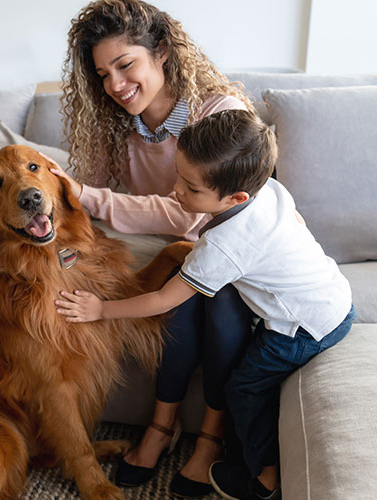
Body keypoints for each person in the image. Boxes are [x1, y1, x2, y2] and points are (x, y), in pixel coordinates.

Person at [55, 109, 355, 500]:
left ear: (236, 198)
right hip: (334, 295)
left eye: (191, 188)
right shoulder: (272, 191)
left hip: (303, 326)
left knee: (245, 389)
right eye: (178, 175)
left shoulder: (223, 247)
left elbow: (164, 298)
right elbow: (293, 221)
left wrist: (100, 309)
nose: (177, 190)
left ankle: (265, 478)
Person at [43, 0, 257, 496]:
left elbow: (191, 214)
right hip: (178, 256)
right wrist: (65, 260)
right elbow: (81, 215)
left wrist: (90, 196)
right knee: (172, 300)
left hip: (232, 256)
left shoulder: (218, 113)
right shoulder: (113, 127)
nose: (116, 86)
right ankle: (162, 427)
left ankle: (209, 439)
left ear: (161, 52)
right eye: (102, 74)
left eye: (125, 65)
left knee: (220, 307)